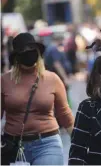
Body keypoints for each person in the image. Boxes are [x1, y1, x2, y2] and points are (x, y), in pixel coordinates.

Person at [1, 33, 74, 165]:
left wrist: (79, 143)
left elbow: (64, 114)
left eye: (32, 49)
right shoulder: (4, 81)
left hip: (47, 144)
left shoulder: (52, 79)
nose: (28, 53)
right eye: (24, 50)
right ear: (17, 56)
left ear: (38, 53)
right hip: (12, 146)